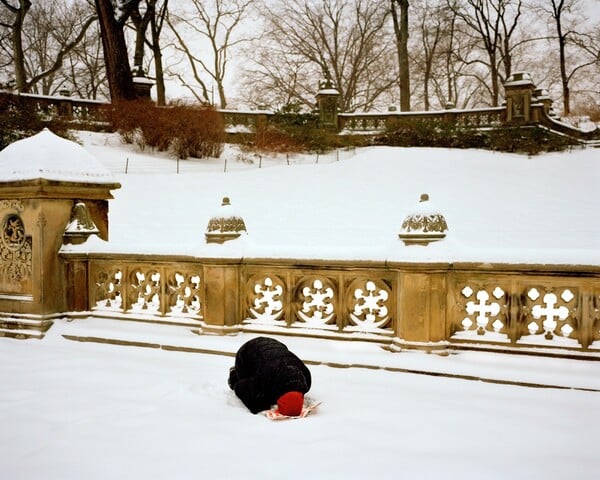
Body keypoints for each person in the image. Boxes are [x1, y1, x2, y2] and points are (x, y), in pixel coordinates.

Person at [228, 336, 312, 416]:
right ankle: (234, 373)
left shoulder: (306, 379)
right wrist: (261, 405)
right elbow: (240, 388)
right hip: (247, 352)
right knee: (252, 390)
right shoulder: (265, 379)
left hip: (275, 346)